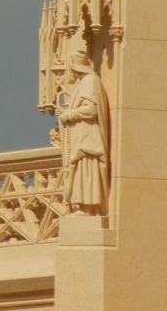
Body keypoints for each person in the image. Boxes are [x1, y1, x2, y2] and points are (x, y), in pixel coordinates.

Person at [59, 56, 110, 215]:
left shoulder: (90, 81)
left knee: (86, 168)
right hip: (81, 137)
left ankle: (88, 207)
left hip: (88, 137)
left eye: (68, 69)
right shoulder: (84, 82)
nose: (67, 74)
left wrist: (71, 114)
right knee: (80, 169)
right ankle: (80, 205)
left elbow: (92, 110)